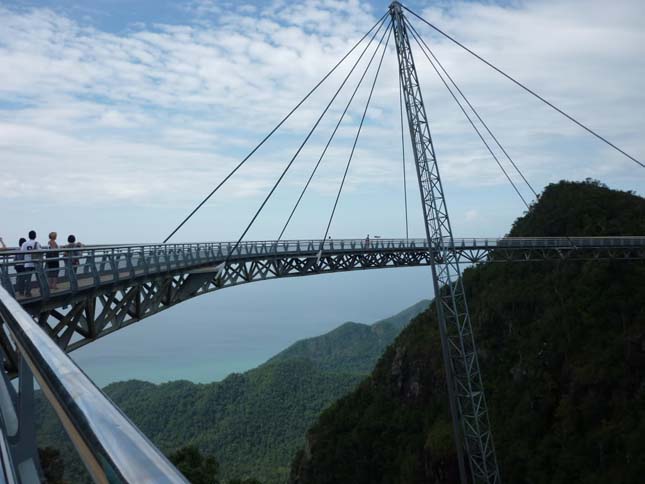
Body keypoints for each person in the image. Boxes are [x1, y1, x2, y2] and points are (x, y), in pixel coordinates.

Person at [21, 230, 42, 297]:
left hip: (27, 263)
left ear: (28, 236)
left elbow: (21, 252)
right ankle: (41, 290)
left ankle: (27, 292)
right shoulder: (37, 243)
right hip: (35, 263)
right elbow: (40, 251)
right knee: (39, 277)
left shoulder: (24, 243)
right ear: (35, 236)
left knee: (28, 279)